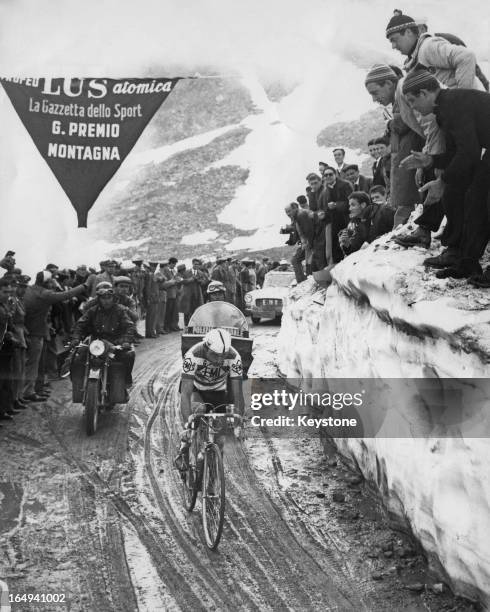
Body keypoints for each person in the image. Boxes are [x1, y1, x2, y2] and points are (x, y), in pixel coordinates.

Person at [402, 69, 490, 280]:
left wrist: (442, 180)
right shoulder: (445, 109)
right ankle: (467, 264)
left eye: (413, 101)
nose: (412, 107)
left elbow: (469, 153)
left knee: (484, 200)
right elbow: (459, 152)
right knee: (474, 200)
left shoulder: (453, 105)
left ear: (425, 93)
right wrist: (431, 160)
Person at [364, 64, 425, 227]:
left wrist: (390, 123)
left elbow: (404, 123)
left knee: (407, 206)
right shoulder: (398, 98)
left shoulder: (402, 95)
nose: (374, 99)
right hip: (406, 160)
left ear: (389, 84)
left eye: (375, 93)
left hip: (411, 158)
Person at [175, 328, 244, 469]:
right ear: (206, 348)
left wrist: (238, 422)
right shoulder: (193, 355)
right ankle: (184, 447)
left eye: (223, 356)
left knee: (220, 437)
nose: (219, 360)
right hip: (196, 389)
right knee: (197, 411)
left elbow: (238, 394)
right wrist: (188, 424)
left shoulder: (234, 356)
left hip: (217, 391)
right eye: (215, 355)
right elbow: (186, 393)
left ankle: (213, 472)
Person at [23, 271, 86, 402]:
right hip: (36, 332)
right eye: (52, 280)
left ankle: (36, 389)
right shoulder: (44, 293)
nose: (54, 283)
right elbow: (66, 295)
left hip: (39, 330)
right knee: (34, 364)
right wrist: (85, 285)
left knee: (39, 363)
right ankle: (29, 391)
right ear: (47, 282)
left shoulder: (31, 289)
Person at [70, 284, 136, 386]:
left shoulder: (120, 310)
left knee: (129, 355)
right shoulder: (93, 310)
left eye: (108, 298)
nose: (106, 301)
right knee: (76, 358)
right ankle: (78, 384)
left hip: (115, 343)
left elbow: (129, 326)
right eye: (103, 298)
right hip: (96, 343)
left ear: (113, 298)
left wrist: (126, 341)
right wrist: (76, 338)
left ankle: (126, 378)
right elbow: (80, 325)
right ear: (99, 299)